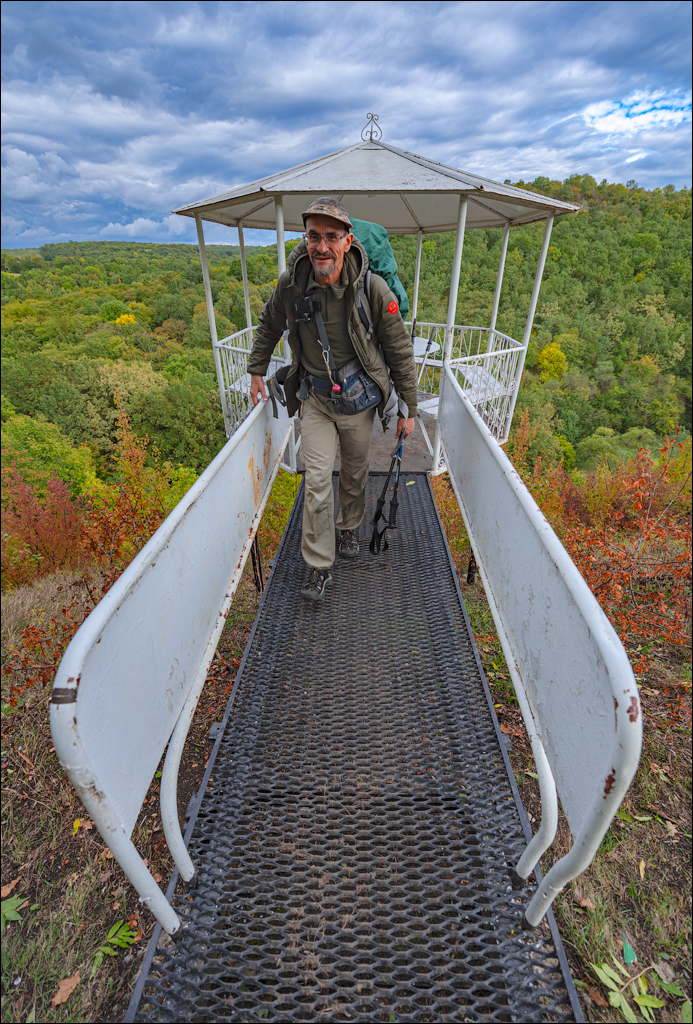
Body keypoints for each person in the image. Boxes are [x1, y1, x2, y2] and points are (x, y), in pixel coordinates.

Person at [248, 197, 418, 602]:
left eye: (330, 237)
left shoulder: (372, 289)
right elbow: (270, 323)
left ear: (347, 240)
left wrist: (407, 408)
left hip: (359, 401)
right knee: (318, 480)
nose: (321, 246)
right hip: (318, 401)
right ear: (305, 239)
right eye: (313, 236)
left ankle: (348, 526)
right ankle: (319, 565)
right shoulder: (292, 285)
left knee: (355, 474)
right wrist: (257, 369)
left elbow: (398, 349)